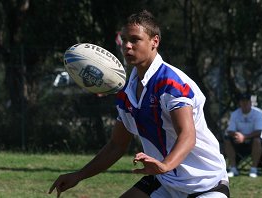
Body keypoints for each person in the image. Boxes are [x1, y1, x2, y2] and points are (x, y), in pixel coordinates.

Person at [49, 10, 229, 198]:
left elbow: (187, 135)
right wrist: (79, 175)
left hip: (204, 183)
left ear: (155, 41)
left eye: (135, 40)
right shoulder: (127, 93)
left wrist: (165, 165)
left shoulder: (171, 84)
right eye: (124, 40)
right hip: (165, 180)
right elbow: (116, 145)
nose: (127, 46)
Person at [224, 92, 262, 178]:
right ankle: (233, 168)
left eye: (247, 101)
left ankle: (253, 169)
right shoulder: (235, 114)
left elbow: (259, 131)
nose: (245, 103)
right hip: (239, 140)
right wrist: (237, 135)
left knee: (257, 140)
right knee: (227, 140)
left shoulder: (258, 113)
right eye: (243, 101)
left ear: (250, 102)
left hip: (254, 140)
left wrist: (245, 137)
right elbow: (230, 130)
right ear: (240, 103)